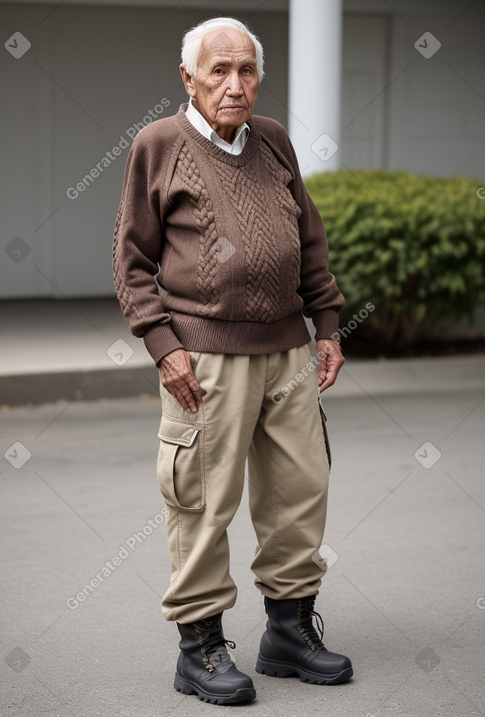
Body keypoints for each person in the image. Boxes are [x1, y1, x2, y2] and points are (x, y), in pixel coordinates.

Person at [113, 16, 353, 705]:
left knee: (300, 490)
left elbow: (308, 237)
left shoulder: (274, 140)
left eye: (247, 70)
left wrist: (327, 320)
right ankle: (201, 647)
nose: (235, 84)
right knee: (201, 501)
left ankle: (288, 629)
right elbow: (131, 262)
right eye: (219, 70)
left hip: (288, 351)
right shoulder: (159, 145)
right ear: (187, 78)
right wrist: (165, 348)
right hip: (205, 357)